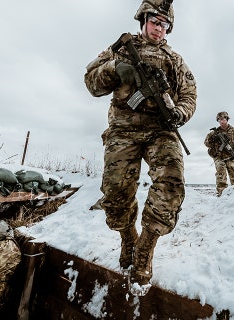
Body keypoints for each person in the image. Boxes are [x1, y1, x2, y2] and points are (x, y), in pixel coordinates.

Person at [84, 0, 196, 296]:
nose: (159, 29)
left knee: (171, 183)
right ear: (143, 20)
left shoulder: (175, 59)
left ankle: (145, 249)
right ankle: (127, 237)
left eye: (164, 24)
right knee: (116, 192)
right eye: (155, 22)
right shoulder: (120, 49)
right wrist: (115, 68)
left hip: (161, 130)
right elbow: (91, 83)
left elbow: (189, 95)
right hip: (123, 128)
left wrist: (179, 113)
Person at [204, 111, 234, 195]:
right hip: (219, 157)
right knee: (221, 174)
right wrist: (213, 139)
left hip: (231, 157)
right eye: (219, 120)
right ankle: (221, 194)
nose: (221, 121)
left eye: (223, 119)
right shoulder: (213, 133)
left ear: (227, 119)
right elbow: (206, 143)